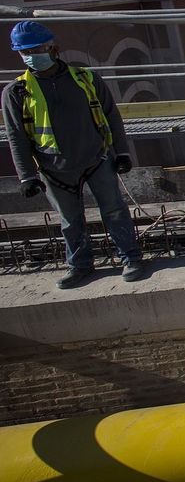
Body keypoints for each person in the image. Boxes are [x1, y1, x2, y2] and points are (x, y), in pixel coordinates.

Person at [3, 21, 146, 288]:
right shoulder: (17, 92)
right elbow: (17, 136)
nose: (32, 55)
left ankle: (131, 258)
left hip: (97, 158)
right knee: (70, 220)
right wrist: (27, 176)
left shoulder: (85, 78)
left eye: (37, 49)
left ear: (52, 47)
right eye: (25, 51)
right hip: (54, 168)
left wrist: (122, 152)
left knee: (114, 210)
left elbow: (111, 115)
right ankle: (79, 266)